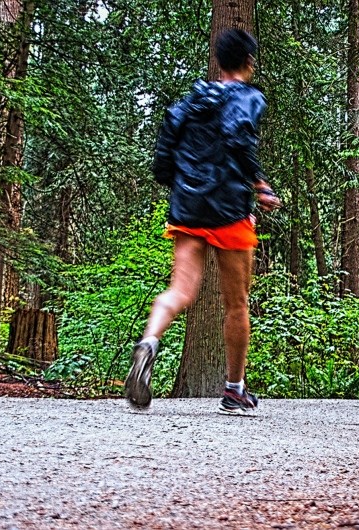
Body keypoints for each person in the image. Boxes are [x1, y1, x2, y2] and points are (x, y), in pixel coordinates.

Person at [125, 28, 280, 415]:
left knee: (180, 290)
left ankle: (149, 341)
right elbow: (237, 135)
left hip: (188, 208)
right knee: (236, 303)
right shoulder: (248, 97)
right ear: (248, 62)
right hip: (228, 210)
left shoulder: (189, 102)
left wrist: (179, 184)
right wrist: (260, 185)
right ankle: (234, 388)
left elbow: (164, 154)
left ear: (219, 61)